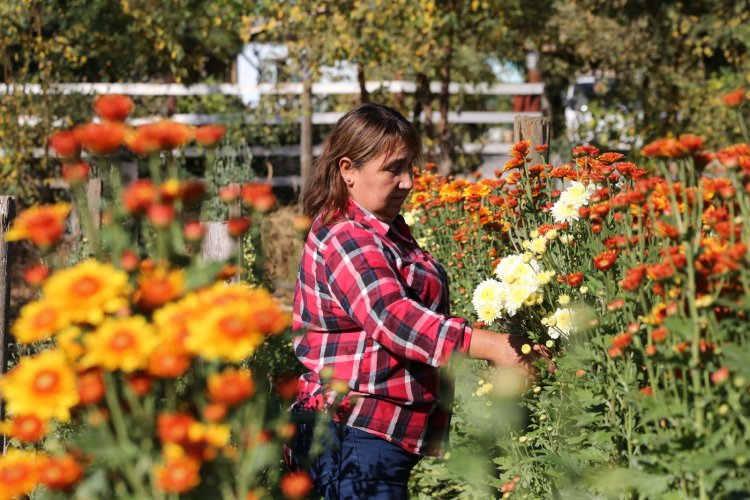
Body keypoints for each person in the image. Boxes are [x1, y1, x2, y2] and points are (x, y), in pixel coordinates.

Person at [287, 103, 552, 499]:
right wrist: (491, 346)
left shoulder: (384, 229)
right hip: (351, 432)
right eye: (393, 168)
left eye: (410, 167)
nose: (408, 182)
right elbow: (393, 317)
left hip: (367, 433)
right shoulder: (349, 235)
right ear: (348, 170)